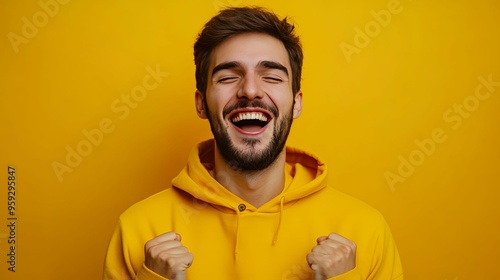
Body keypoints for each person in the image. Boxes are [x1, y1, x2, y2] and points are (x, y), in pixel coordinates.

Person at [103, 6, 403, 280]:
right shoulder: (138, 229)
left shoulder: (365, 230)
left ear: (296, 103)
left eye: (271, 76)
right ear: (201, 103)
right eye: (227, 77)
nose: (249, 90)